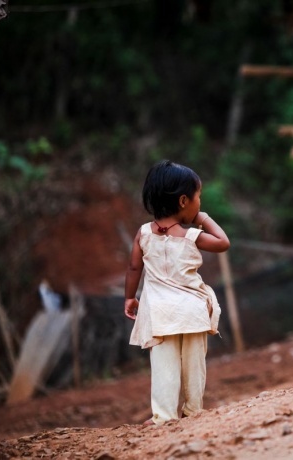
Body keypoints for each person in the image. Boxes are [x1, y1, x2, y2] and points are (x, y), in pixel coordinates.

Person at [124, 159, 230, 426]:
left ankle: (163, 416)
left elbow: (133, 267)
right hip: (191, 311)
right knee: (194, 366)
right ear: (184, 201)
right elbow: (223, 243)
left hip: (160, 314)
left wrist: (129, 296)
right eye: (199, 198)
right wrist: (203, 219)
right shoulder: (192, 236)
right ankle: (193, 411)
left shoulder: (144, 234)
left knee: (164, 368)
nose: (200, 205)